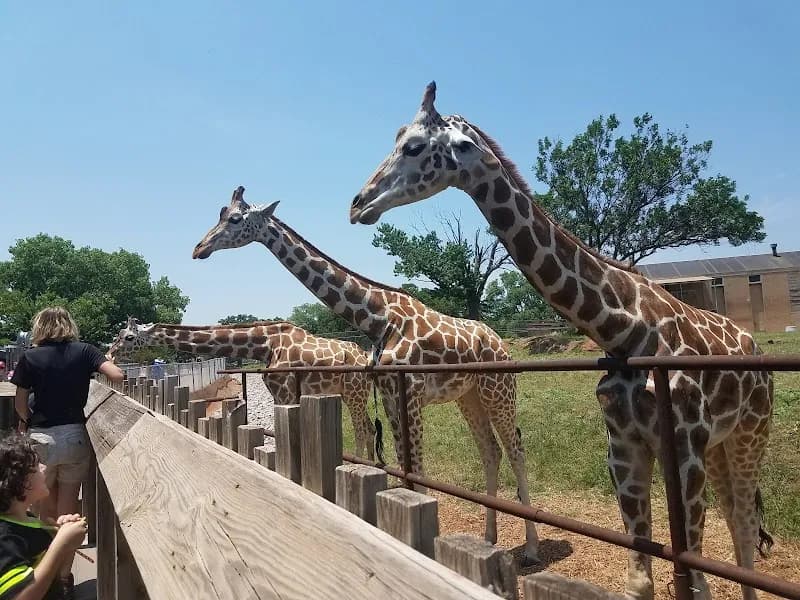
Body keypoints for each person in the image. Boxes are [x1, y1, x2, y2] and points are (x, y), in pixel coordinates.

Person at [9, 307, 123, 595]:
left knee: (44, 510)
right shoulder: (85, 351)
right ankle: (64, 578)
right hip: (74, 435)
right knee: (68, 512)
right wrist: (103, 361)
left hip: (41, 439)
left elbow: (20, 404)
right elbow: (117, 376)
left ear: (40, 327)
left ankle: (42, 576)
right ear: (68, 325)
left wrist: (26, 421)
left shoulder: (30, 357)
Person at [0, 433, 88, 600]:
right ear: (20, 484)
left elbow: (46, 570)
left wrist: (60, 537)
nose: (44, 468)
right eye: (35, 466)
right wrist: (60, 545)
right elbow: (19, 596)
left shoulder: (27, 520)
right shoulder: (6, 538)